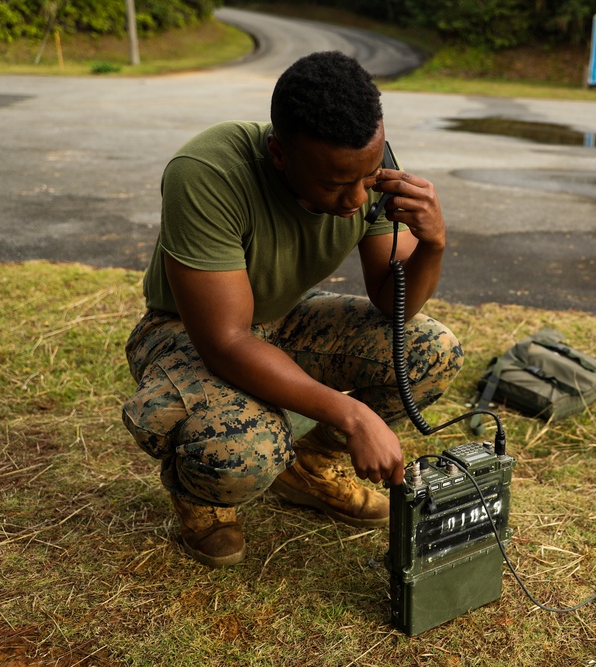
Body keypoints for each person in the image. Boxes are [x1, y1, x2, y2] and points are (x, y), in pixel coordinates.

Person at [121, 51, 463, 568]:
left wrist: (433, 244)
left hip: (283, 319)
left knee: (429, 351)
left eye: (368, 177)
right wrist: (352, 414)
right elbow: (227, 342)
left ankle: (311, 466)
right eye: (334, 184)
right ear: (280, 155)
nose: (354, 199)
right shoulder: (209, 172)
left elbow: (394, 306)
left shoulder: (363, 165)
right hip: (186, 331)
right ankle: (203, 498)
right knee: (246, 449)